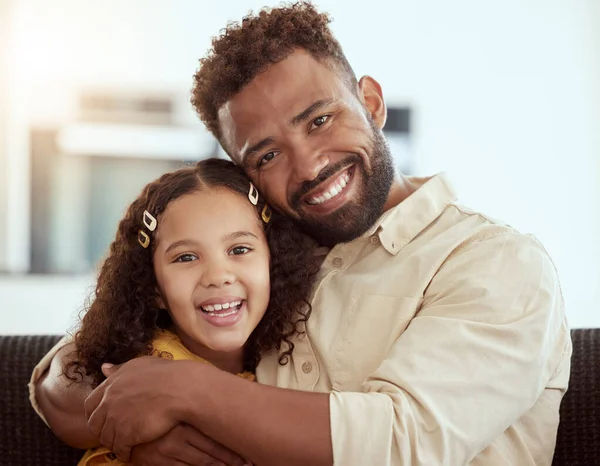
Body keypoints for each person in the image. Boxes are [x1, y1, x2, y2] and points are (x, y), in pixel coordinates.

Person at [31, 3, 571, 465]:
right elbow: (63, 372)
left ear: (373, 102)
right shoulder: (265, 261)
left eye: (319, 120)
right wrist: (138, 430)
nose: (309, 164)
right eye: (267, 154)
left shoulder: (494, 261)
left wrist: (185, 392)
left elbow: (403, 442)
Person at [36, 158, 318, 465]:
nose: (217, 275)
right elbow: (66, 392)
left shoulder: (291, 364)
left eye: (239, 250)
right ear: (153, 286)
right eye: (186, 257)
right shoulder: (137, 370)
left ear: (273, 262)